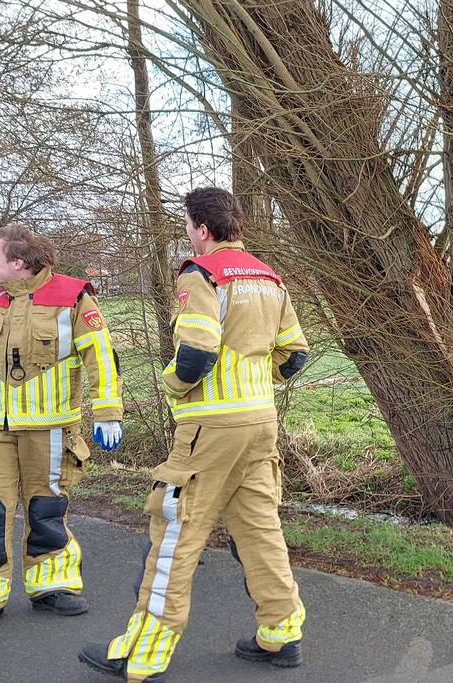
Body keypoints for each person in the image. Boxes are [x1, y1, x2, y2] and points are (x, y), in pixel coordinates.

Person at [79, 187, 309, 682]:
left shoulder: (201, 272)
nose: (187, 233)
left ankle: (142, 653)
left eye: (186, 225)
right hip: (260, 423)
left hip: (211, 428)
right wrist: (252, 380)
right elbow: (294, 356)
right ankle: (282, 632)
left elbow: (197, 354)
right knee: (259, 528)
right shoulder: (270, 276)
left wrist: (173, 386)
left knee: (174, 532)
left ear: (202, 229)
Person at [0, 223, 123, 619]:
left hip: (49, 427)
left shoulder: (72, 296)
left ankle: (52, 584)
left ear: (18, 262)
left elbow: (101, 355)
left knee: (45, 508)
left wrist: (108, 411)